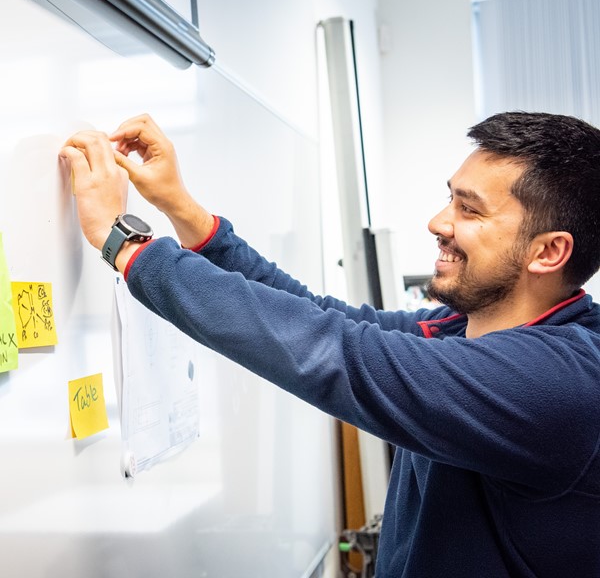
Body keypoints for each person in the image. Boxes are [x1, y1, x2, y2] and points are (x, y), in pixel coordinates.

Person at [60, 111, 600, 577]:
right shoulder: (468, 327)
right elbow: (322, 317)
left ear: (548, 252)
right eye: (449, 199)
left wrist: (124, 241)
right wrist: (187, 214)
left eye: (470, 209)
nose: (438, 222)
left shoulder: (557, 383)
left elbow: (332, 351)